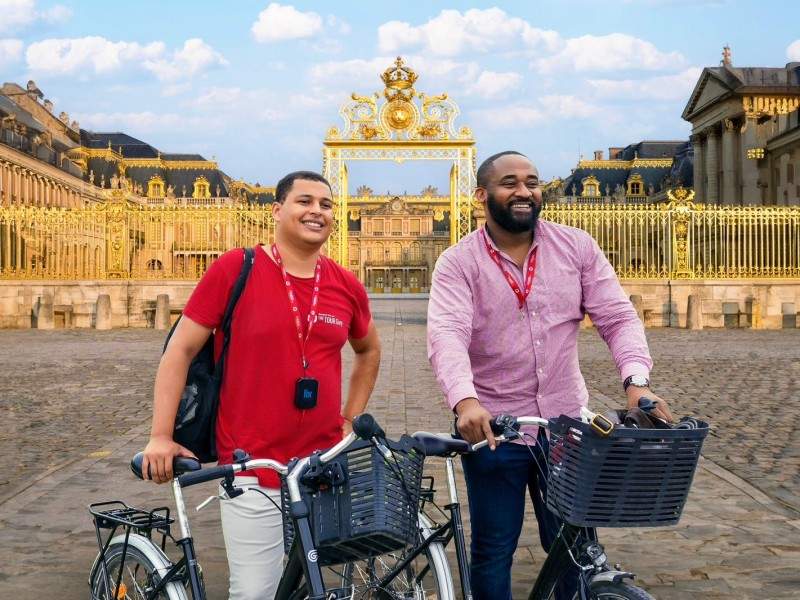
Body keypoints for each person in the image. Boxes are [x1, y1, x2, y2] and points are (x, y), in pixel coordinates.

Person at [427, 151, 673, 600]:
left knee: (575, 549)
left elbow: (617, 317)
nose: (523, 191)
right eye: (509, 183)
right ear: (482, 195)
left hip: (567, 429)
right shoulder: (458, 262)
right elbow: (447, 336)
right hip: (494, 429)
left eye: (532, 181)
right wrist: (465, 401)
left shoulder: (576, 246)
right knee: (493, 550)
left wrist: (636, 382)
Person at [141, 171, 381, 600]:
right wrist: (161, 435)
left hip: (319, 467)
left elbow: (368, 350)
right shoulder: (237, 267)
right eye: (304, 201)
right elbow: (178, 352)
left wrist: (350, 417)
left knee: (314, 588)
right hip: (250, 464)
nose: (316, 211)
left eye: (326, 205)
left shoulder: (346, 285)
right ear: (277, 210)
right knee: (256, 591)